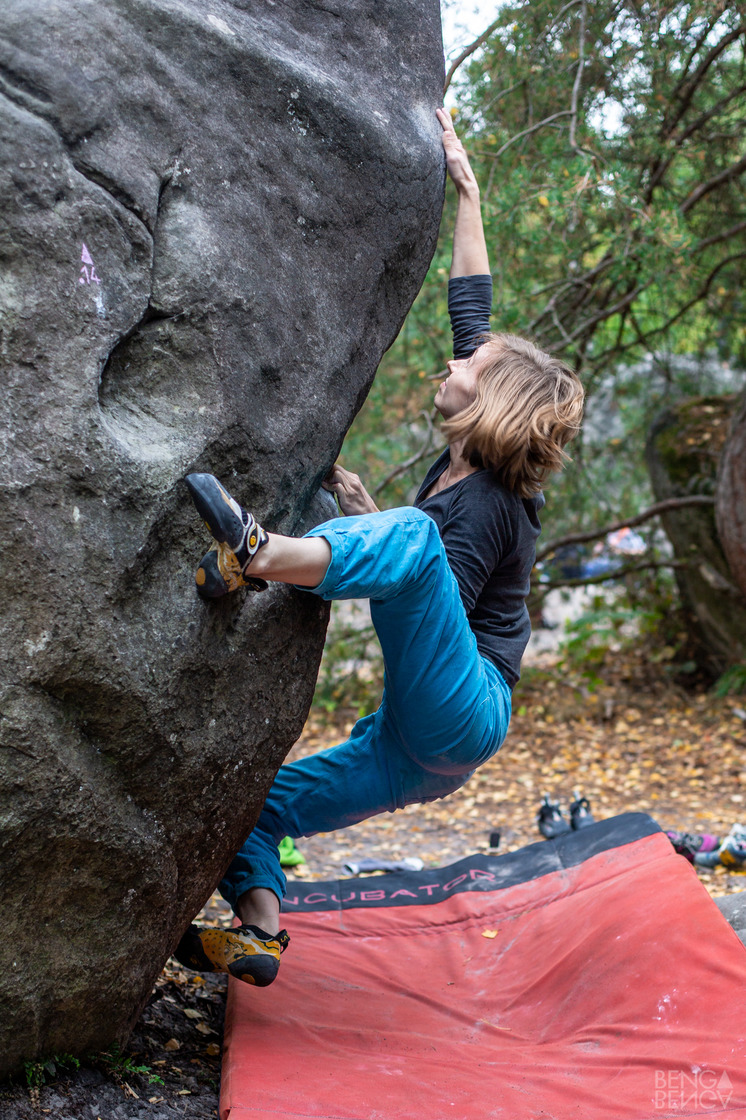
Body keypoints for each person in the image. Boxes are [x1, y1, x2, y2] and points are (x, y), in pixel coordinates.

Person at [174, 109, 584, 987]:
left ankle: (253, 553)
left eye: (469, 369)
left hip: (467, 708)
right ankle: (260, 930)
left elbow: (428, 583)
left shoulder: (492, 505)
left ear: (495, 401)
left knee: (407, 534)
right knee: (257, 804)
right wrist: (466, 190)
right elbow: (471, 306)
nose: (450, 367)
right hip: (414, 744)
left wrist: (383, 534)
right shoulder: (465, 462)